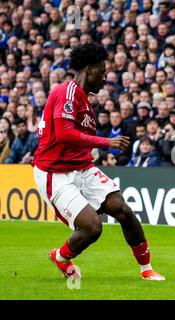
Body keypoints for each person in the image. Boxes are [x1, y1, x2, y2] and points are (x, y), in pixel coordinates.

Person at [32, 43, 165, 281]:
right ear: (88, 70)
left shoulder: (84, 100)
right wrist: (107, 142)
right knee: (92, 227)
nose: (105, 78)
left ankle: (146, 269)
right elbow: (64, 134)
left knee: (122, 209)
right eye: (102, 72)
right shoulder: (67, 92)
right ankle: (61, 257)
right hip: (55, 172)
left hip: (81, 167)